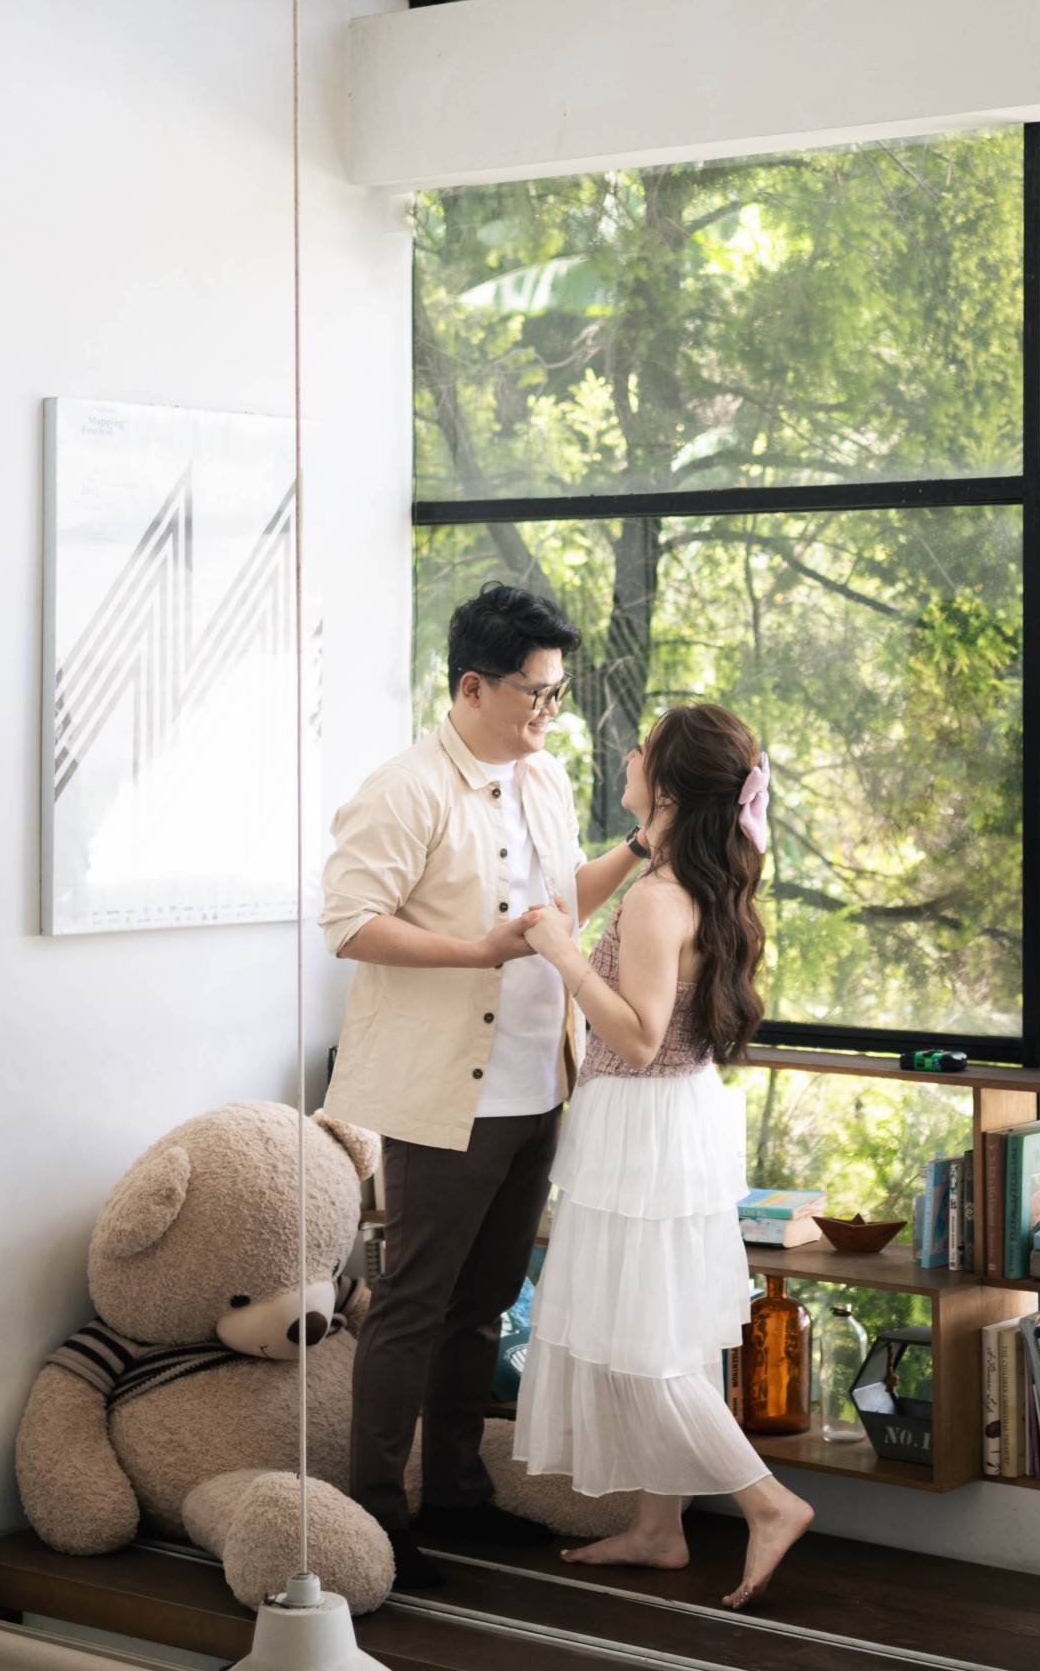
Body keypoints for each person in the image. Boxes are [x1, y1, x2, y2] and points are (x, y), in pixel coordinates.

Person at [319, 583, 649, 1589]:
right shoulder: (404, 788)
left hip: (539, 1084)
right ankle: (377, 1517)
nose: (549, 711)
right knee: (412, 1305)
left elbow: (559, 905)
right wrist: (475, 951)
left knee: (485, 1305)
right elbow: (349, 924)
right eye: (534, 693)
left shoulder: (542, 777)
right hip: (443, 1098)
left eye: (556, 693)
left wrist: (639, 850)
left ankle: (456, 1492)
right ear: (472, 686)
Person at [513, 704, 814, 1610]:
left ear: (670, 789)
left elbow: (639, 1038)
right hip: (674, 1122)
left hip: (639, 1129)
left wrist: (562, 953)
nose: (629, 756)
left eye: (642, 749)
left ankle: (767, 1503)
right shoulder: (700, 884)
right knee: (659, 1328)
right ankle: (658, 1529)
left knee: (639, 1345)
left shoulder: (656, 898)